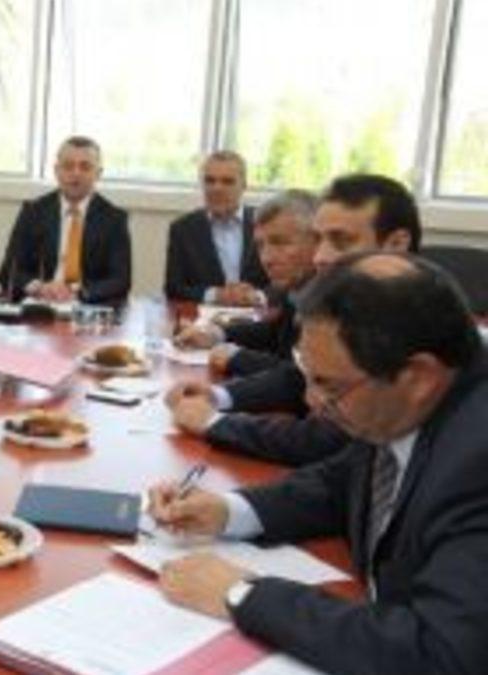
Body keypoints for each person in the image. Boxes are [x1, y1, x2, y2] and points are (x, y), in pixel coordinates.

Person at [149, 253, 488, 674]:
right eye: (307, 375)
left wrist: (243, 594)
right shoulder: (403, 404)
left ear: (417, 376)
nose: (312, 402)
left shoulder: (477, 461)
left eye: (328, 385)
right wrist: (228, 510)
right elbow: (342, 482)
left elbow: (438, 653)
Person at [167, 174, 422, 424]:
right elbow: (293, 363)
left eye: (340, 241)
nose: (321, 256)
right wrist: (218, 342)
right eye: (261, 246)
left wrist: (215, 416)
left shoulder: (388, 320)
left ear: (396, 244)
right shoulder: (314, 293)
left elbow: (318, 424)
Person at [174, 189, 319, 378]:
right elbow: (273, 333)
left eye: (280, 243)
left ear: (318, 241)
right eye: (260, 246)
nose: (266, 259)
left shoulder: (333, 299)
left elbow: (302, 375)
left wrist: (235, 357)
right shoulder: (298, 286)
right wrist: (216, 334)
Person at [0, 136, 131, 305]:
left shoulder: (114, 219)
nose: (76, 173)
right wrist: (40, 288)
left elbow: (120, 281)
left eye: (85, 167)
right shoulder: (33, 212)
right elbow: (8, 271)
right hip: (41, 304)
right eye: (68, 166)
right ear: (57, 171)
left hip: (86, 306)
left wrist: (78, 293)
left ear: (98, 173)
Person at [163, 151, 269, 304]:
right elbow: (173, 289)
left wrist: (256, 296)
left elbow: (282, 283)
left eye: (227, 182)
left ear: (244, 186)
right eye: (210, 181)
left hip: (258, 313)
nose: (217, 188)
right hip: (204, 315)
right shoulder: (182, 229)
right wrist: (216, 295)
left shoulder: (264, 223)